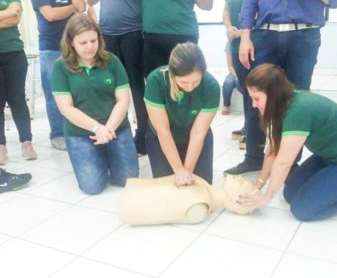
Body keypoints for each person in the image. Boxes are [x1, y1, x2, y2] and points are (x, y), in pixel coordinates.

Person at [237, 64, 337, 221]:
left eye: (256, 98)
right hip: (327, 156)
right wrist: (259, 184)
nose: (253, 104)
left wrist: (265, 198)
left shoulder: (298, 111)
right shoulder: (280, 105)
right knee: (289, 193)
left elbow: (283, 162)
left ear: (272, 94)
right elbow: (272, 149)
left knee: (302, 210)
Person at [225, 0, 337, 175]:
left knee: (297, 101)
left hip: (304, 35)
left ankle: (290, 163)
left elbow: (336, 0)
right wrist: (245, 37)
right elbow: (250, 0)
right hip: (265, 34)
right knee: (257, 98)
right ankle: (254, 158)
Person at [51, 14, 139, 195]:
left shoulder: (112, 61)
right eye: (83, 43)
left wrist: (108, 129)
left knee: (128, 180)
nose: (90, 47)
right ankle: (101, 157)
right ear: (71, 42)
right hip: (81, 133)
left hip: (116, 129)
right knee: (92, 186)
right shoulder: (61, 67)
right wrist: (96, 128)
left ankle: (107, 155)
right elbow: (65, 108)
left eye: (93, 40)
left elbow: (123, 100)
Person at [144, 42, 220, 186]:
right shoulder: (156, 80)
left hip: (195, 137)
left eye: (196, 81)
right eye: (184, 82)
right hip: (162, 138)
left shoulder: (211, 86)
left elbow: (198, 133)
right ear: (172, 74)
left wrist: (187, 171)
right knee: (167, 186)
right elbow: (163, 131)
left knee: (199, 185)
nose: (190, 88)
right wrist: (179, 170)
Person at [86, 0, 147, 156]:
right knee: (109, 88)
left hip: (133, 32)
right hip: (107, 33)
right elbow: (91, 1)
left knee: (136, 87)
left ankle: (143, 138)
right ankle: (112, 134)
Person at [28, 0, 86, 150]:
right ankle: (58, 134)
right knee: (55, 94)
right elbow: (50, 15)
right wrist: (73, 8)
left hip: (75, 44)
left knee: (79, 90)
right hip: (51, 46)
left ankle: (80, 128)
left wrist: (75, 7)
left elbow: (82, 7)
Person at [121, 174, 256, 225]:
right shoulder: (205, 187)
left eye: (242, 183)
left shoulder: (200, 206)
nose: (239, 177)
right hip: (136, 189)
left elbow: (159, 205)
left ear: (235, 201)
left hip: (132, 201)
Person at [0, 0, 37, 164]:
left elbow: (15, 17)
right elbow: (9, 15)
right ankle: (1, 146)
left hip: (14, 52)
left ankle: (26, 142)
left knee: (18, 99)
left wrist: (10, 14)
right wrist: (5, 13)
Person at [140, 0, 213, 77]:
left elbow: (208, 5)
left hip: (183, 36)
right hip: (151, 36)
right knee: (156, 82)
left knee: (185, 80)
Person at [223, 0, 248, 144]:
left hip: (252, 44)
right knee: (246, 91)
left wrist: (244, 32)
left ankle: (254, 134)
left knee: (253, 92)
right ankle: (248, 127)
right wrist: (229, 28)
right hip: (235, 44)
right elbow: (226, 10)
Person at [221, 43, 243, 116]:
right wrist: (236, 76)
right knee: (228, 82)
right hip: (234, 72)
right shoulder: (229, 45)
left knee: (239, 83)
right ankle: (226, 105)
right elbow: (230, 66)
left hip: (245, 73)